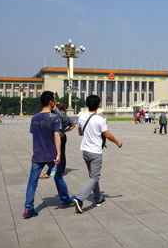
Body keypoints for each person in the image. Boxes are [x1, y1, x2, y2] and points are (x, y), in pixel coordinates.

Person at [23, 91, 74, 219]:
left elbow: (34, 134)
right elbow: (57, 136)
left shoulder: (34, 118)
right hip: (51, 154)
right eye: (54, 101)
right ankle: (64, 200)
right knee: (58, 178)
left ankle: (28, 208)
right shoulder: (54, 117)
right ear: (51, 102)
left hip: (38, 155)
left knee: (32, 181)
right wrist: (58, 154)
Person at [73, 95, 122, 213]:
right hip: (95, 152)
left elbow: (80, 133)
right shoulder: (100, 119)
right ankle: (80, 199)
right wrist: (117, 141)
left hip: (85, 151)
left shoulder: (82, 117)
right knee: (94, 177)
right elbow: (107, 134)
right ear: (98, 106)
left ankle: (98, 198)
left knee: (93, 176)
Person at [40, 103, 76, 178]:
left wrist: (54, 103)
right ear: (65, 109)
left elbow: (54, 108)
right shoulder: (66, 117)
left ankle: (50, 173)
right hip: (63, 136)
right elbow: (73, 125)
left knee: (54, 155)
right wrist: (65, 130)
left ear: (59, 109)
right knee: (62, 154)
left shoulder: (58, 114)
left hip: (57, 137)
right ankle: (62, 171)